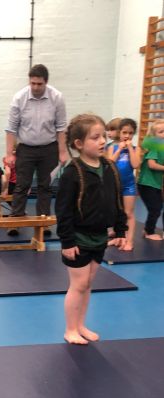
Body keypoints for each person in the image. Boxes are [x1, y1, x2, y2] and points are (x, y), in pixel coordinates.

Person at [55, 114, 127, 345]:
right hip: (78, 238)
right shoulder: (72, 172)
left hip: (99, 237)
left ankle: (81, 325)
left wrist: (121, 229)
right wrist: (67, 241)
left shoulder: (109, 167)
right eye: (95, 138)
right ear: (79, 143)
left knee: (88, 284)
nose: (102, 141)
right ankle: (70, 329)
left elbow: (117, 199)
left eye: (103, 136)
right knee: (78, 285)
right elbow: (63, 210)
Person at [5, 64, 68, 222]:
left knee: (45, 186)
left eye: (39, 84)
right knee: (21, 185)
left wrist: (62, 152)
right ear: (29, 81)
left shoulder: (57, 97)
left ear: (46, 82)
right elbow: (11, 129)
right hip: (25, 148)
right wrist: (9, 154)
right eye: (32, 83)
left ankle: (42, 222)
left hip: (49, 148)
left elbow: (61, 127)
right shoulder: (19, 98)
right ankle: (15, 221)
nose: (35, 87)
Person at [106, 118, 141, 251]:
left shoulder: (136, 149)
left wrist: (130, 148)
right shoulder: (112, 147)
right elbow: (110, 164)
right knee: (115, 212)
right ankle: (118, 237)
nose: (127, 136)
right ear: (119, 133)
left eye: (130, 133)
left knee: (128, 213)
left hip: (128, 186)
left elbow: (135, 164)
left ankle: (129, 241)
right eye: (124, 132)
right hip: (114, 185)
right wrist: (119, 149)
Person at [137, 119, 164, 240]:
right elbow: (151, 165)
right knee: (155, 209)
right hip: (147, 184)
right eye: (161, 132)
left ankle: (147, 230)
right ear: (154, 135)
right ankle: (149, 231)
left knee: (156, 208)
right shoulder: (154, 146)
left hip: (155, 184)